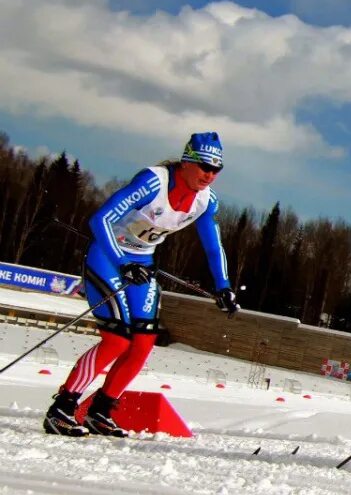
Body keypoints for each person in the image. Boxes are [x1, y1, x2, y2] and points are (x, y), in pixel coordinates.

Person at [43, 132, 239, 437]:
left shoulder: (205, 201)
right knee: (117, 339)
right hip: (109, 258)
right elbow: (101, 221)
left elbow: (214, 247)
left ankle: (101, 410)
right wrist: (124, 263)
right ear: (187, 161)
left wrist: (223, 286)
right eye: (204, 166)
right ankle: (63, 408)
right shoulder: (154, 182)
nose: (209, 175)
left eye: (217, 170)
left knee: (144, 340)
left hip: (142, 264)